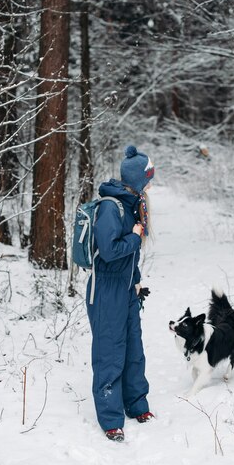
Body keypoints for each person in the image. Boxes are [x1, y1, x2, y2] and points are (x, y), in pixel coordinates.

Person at [86, 145, 155, 442]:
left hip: (126, 288)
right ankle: (111, 419)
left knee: (133, 349)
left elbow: (130, 258)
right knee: (110, 353)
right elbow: (111, 251)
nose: (151, 183)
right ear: (138, 179)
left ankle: (136, 403)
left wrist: (137, 280)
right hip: (105, 289)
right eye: (149, 178)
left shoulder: (132, 204)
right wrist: (135, 236)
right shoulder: (110, 208)